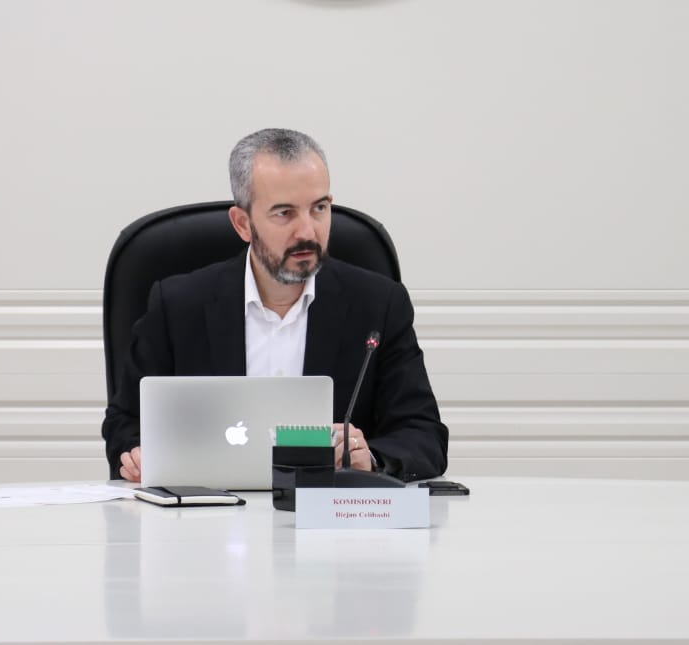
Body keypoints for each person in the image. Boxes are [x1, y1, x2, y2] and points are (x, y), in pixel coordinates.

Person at [102, 128, 448, 483]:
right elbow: (125, 422)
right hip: (206, 510)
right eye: (284, 213)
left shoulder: (378, 305)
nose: (308, 231)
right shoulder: (178, 306)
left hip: (329, 511)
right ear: (243, 224)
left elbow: (423, 435)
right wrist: (135, 453)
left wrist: (370, 458)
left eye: (319, 208)